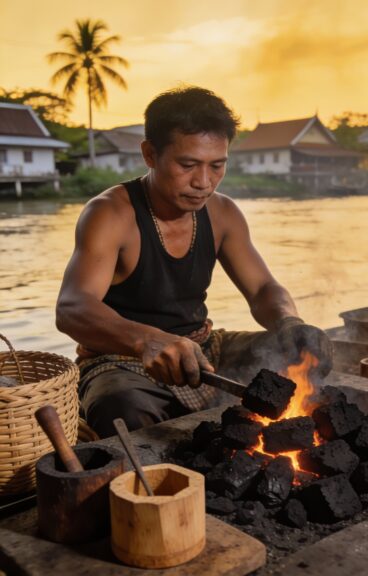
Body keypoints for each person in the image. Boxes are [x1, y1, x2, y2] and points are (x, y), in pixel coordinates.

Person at [56, 86, 332, 437]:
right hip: (122, 360)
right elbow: (72, 307)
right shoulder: (110, 213)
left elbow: (263, 288)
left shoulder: (224, 213)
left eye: (217, 166)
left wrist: (289, 322)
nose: (203, 182)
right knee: (122, 407)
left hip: (205, 348)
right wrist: (148, 341)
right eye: (188, 165)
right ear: (150, 154)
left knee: (301, 348)